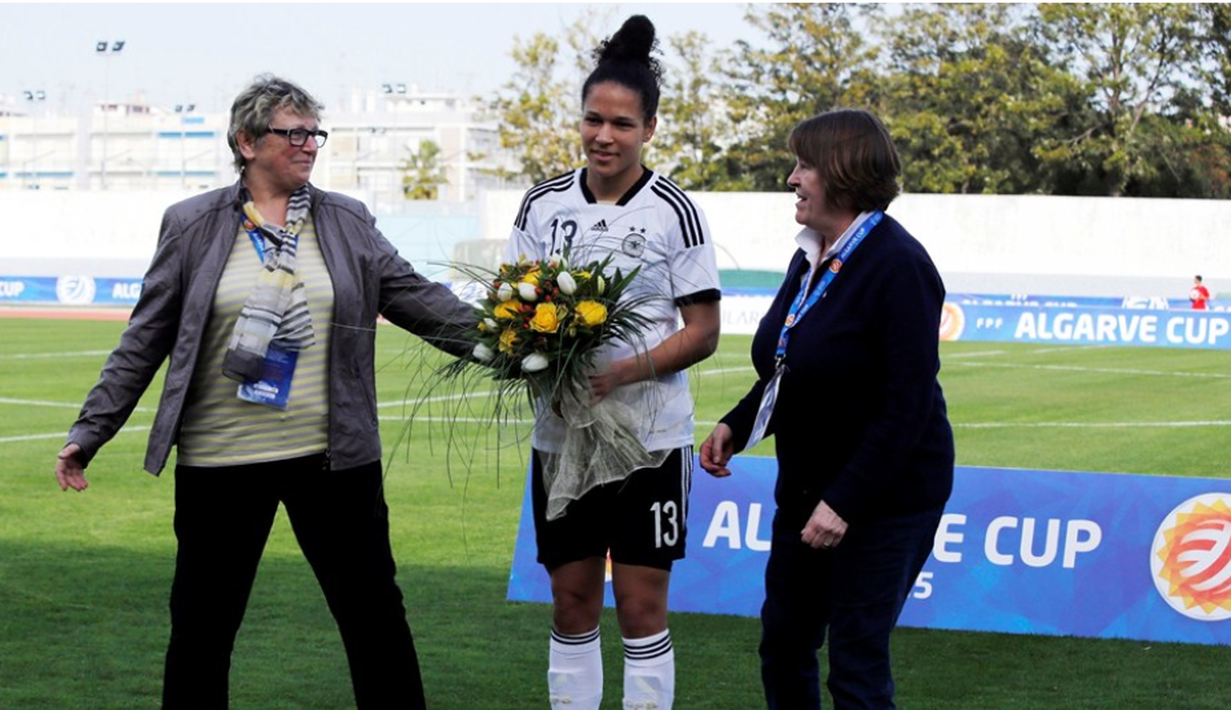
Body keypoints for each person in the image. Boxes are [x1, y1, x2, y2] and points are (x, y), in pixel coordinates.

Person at [53, 74, 475, 710]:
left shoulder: (347, 220)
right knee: (201, 633)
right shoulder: (191, 224)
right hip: (220, 462)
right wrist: (91, 430)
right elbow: (144, 340)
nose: (309, 145)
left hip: (333, 460)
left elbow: (419, 299)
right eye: (293, 133)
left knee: (376, 623)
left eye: (315, 133)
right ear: (246, 142)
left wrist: (513, 338)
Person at [699, 109, 954, 710]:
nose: (792, 178)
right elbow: (793, 364)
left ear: (841, 173)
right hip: (807, 491)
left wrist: (844, 502)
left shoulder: (899, 265)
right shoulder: (812, 254)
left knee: (856, 667)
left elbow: (907, 404)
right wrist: (737, 424)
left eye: (804, 165)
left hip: (883, 500)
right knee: (784, 647)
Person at [505, 15, 721, 710]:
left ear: (650, 129)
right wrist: (533, 352)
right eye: (593, 119)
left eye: (622, 124)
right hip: (563, 438)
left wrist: (622, 372)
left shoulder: (673, 212)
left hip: (648, 440)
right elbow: (513, 311)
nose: (604, 135)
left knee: (638, 605)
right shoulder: (542, 204)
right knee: (570, 601)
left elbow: (705, 331)